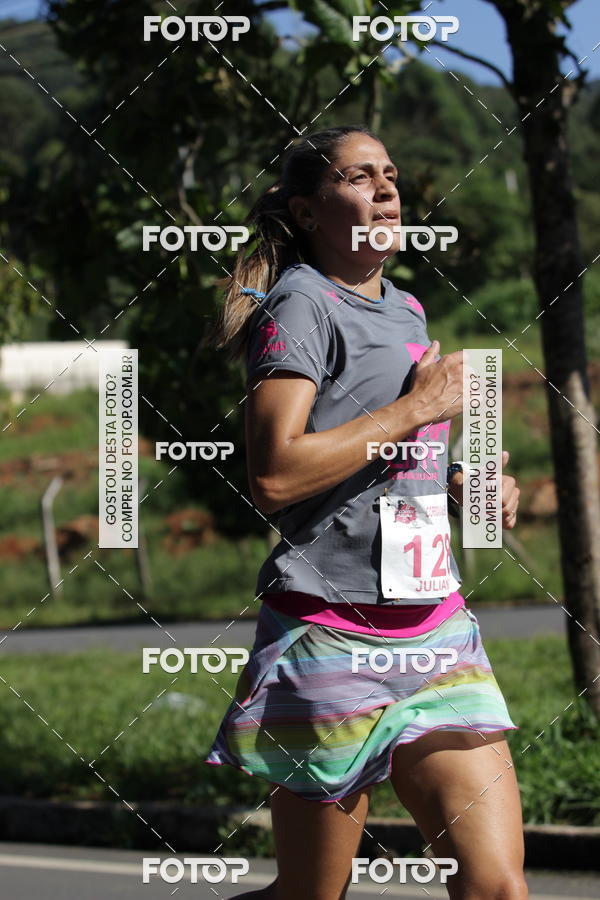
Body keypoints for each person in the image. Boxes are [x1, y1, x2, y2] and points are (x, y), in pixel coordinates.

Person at [206, 125, 525, 900]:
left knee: (497, 888)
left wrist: (463, 480)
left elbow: (388, 449)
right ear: (308, 211)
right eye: (359, 177)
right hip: (331, 635)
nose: (385, 189)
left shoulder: (408, 309)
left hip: (435, 632)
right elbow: (275, 474)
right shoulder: (300, 305)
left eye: (390, 174)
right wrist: (418, 407)